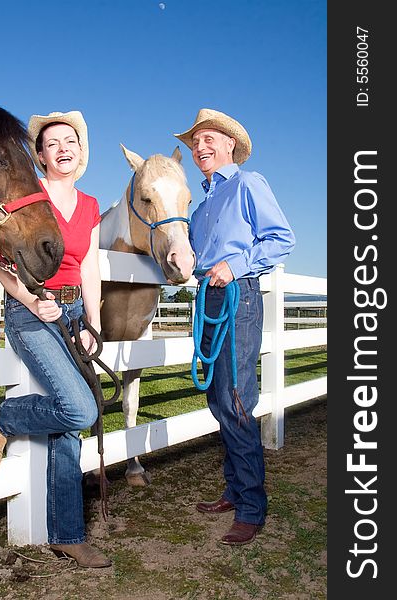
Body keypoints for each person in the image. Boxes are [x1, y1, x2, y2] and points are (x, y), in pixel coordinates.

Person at [0, 110, 111, 568]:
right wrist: (33, 302)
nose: (62, 148)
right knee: (80, 407)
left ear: (81, 150)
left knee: (69, 426)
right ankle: (5, 417)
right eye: (52, 143)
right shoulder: (25, 196)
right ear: (39, 156)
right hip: (31, 311)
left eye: (70, 140)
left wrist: (95, 322)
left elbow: (90, 266)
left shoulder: (90, 206)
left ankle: (67, 534)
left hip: (74, 314)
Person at [174, 108, 295, 545]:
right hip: (208, 296)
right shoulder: (203, 205)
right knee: (218, 398)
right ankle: (235, 487)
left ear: (229, 144)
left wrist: (235, 263)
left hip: (238, 295)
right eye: (195, 142)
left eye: (209, 139)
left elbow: (281, 238)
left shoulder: (248, 184)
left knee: (236, 396)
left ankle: (251, 506)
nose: (200, 148)